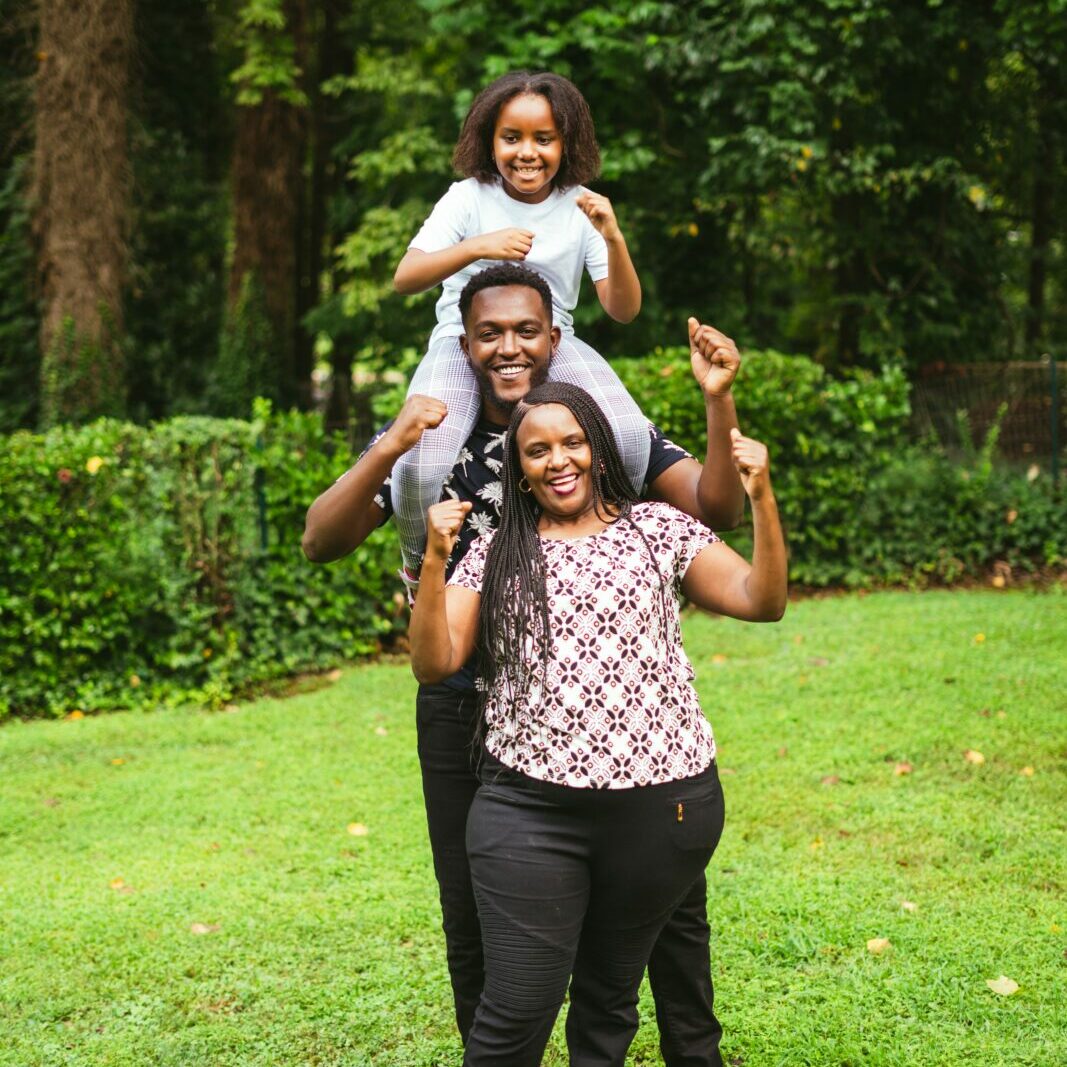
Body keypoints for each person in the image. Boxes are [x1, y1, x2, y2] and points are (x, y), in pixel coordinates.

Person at [302, 262, 745, 1065]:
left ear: (554, 337)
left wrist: (718, 403)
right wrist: (392, 445)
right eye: (489, 333)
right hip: (464, 700)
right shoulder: (436, 441)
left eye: (526, 330)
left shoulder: (589, 431)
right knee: (474, 908)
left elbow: (712, 510)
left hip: (599, 717)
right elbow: (320, 538)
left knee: (672, 907)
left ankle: (694, 1050)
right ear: (463, 344)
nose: (508, 347)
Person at [409, 380, 787, 1067]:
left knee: (608, 1003)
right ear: (517, 468)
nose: (558, 460)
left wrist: (761, 499)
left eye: (572, 442)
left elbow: (759, 599)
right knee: (514, 1009)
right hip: (528, 808)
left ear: (598, 447)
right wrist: (434, 560)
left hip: (661, 808)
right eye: (537, 450)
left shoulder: (657, 527)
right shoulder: (492, 552)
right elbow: (435, 662)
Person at [391, 70, 648, 588]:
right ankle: (420, 570)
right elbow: (405, 277)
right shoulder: (468, 197)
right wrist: (476, 247)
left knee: (630, 437)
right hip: (461, 346)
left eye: (543, 139)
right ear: (491, 141)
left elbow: (623, 309)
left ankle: (617, 551)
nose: (526, 152)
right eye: (512, 138)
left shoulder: (581, 205)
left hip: (555, 346)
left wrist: (614, 238)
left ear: (565, 143)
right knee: (422, 461)